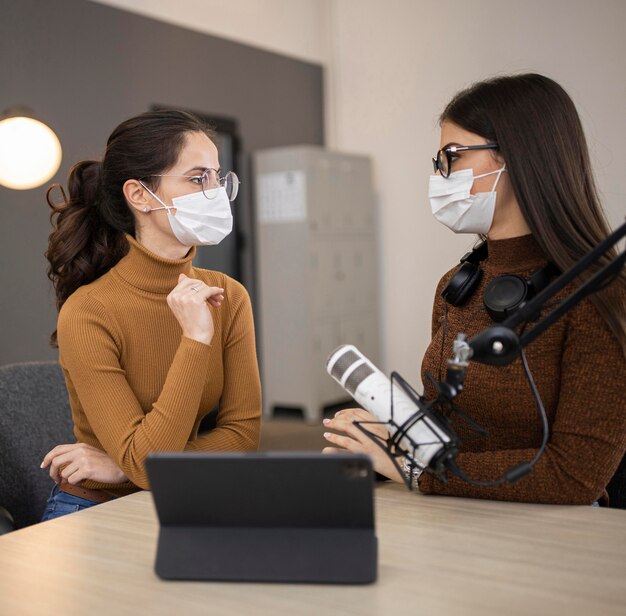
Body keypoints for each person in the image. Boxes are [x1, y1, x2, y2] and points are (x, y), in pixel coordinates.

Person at [322, 73, 626, 505]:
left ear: (519, 157)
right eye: (438, 161)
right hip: (455, 519)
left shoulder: (598, 295)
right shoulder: (457, 287)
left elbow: (575, 476)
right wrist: (395, 435)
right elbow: (446, 425)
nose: (440, 174)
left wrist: (414, 468)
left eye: (453, 156)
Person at [40, 110, 261, 520]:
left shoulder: (229, 295)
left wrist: (125, 464)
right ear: (140, 195)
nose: (214, 191)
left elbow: (243, 436)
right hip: (93, 508)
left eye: (217, 177)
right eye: (198, 179)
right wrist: (195, 338)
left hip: (181, 497)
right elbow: (145, 463)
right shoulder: (89, 311)